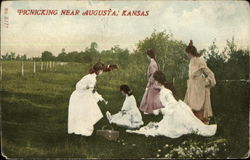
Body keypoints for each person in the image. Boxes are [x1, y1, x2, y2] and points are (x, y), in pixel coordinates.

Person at [126, 71, 217, 138]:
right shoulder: (162, 91)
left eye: (154, 82)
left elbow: (173, 104)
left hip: (176, 113)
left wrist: (161, 110)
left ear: (157, 82)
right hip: (172, 112)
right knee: (160, 127)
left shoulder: (166, 92)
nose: (153, 84)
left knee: (170, 130)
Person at [68, 62, 108, 136]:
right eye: (102, 70)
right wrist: (86, 88)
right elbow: (79, 86)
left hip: (82, 96)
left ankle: (81, 130)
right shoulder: (91, 78)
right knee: (85, 113)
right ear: (99, 71)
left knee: (85, 113)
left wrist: (101, 98)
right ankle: (82, 131)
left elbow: (92, 91)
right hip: (79, 97)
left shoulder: (91, 77)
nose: (102, 72)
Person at [184, 40, 216, 124]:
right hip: (192, 85)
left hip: (199, 85)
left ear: (190, 52)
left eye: (187, 53)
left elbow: (208, 71)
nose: (187, 55)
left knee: (200, 103)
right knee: (191, 103)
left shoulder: (200, 60)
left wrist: (210, 80)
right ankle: (194, 124)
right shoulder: (191, 61)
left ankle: (203, 123)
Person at [139, 49, 163, 115]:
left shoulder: (152, 63)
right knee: (154, 96)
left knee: (150, 96)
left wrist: (149, 82)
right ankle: (154, 109)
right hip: (157, 81)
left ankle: (150, 110)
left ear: (149, 55)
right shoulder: (155, 62)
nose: (147, 57)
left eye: (147, 55)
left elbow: (153, 74)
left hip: (153, 82)